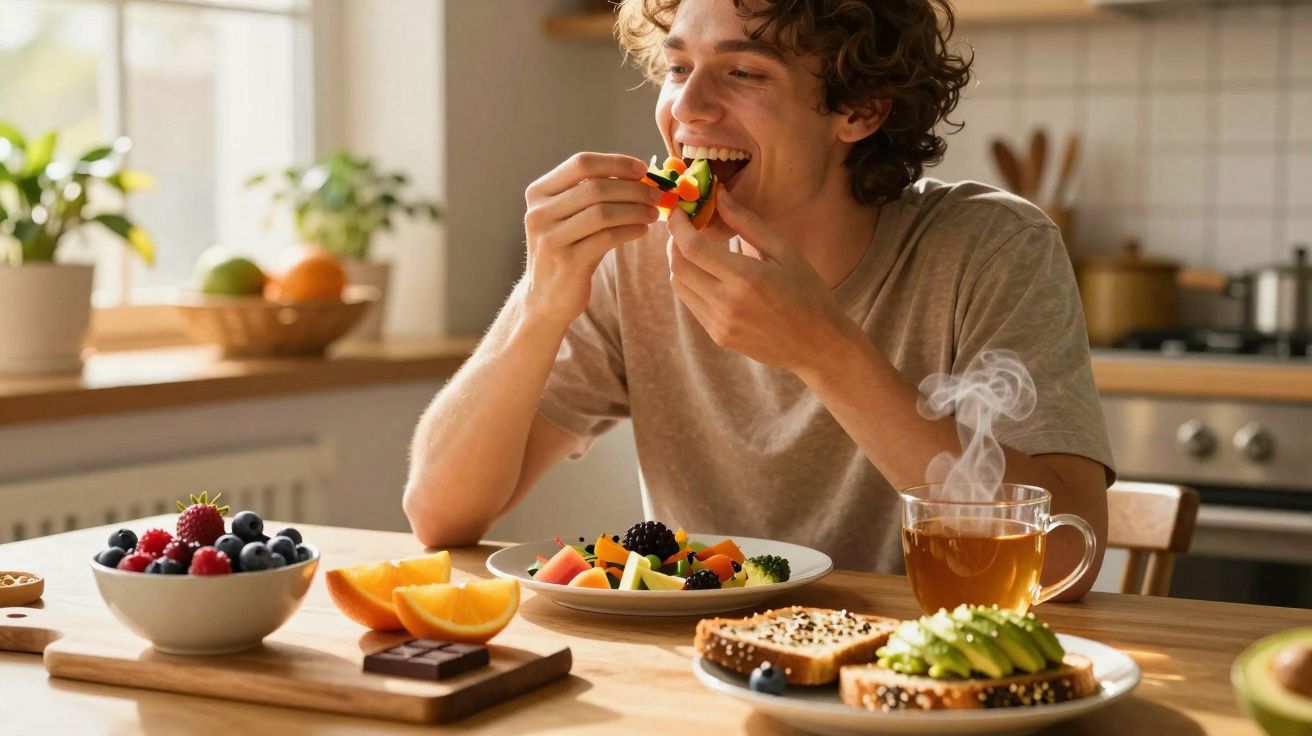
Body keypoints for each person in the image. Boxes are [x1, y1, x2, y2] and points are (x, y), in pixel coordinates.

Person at [403, 0, 1112, 598]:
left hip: (922, 674)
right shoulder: (639, 257)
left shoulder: (991, 247)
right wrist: (540, 303)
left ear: (860, 109)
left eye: (743, 72)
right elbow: (439, 515)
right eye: (678, 68)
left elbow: (1060, 566)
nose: (685, 106)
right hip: (703, 671)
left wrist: (825, 351)